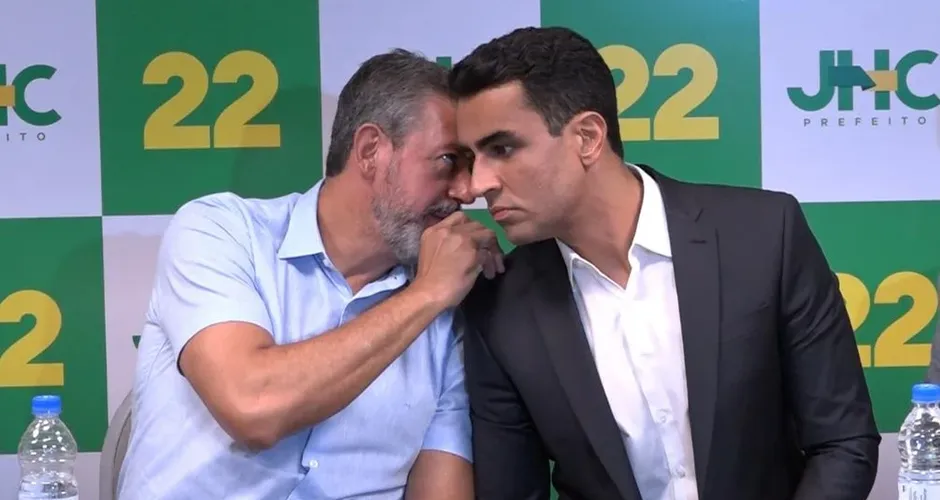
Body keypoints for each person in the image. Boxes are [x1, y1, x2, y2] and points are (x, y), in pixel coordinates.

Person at [450, 26, 880, 500]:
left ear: (588, 137)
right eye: (470, 157)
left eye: (502, 149)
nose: (476, 185)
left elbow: (843, 443)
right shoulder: (498, 306)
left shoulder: (764, 234)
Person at [117, 49, 502, 499]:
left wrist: (436, 296)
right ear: (371, 150)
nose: (468, 191)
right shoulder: (220, 230)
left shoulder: (447, 312)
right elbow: (252, 408)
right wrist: (427, 294)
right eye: (448, 161)